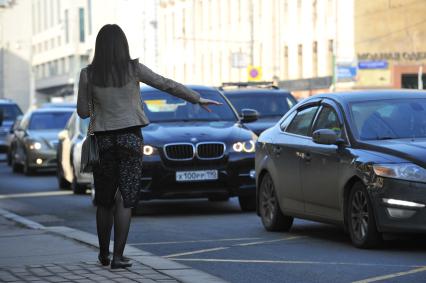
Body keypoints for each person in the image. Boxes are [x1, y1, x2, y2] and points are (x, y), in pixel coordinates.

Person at [77, 24, 220, 269]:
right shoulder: (133, 69)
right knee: (125, 198)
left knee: (104, 199)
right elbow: (166, 84)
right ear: (123, 45)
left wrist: (98, 103)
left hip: (103, 140)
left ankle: (103, 254)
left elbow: (81, 112)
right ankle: (118, 257)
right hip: (131, 138)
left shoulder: (88, 74)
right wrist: (196, 98)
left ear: (99, 47)